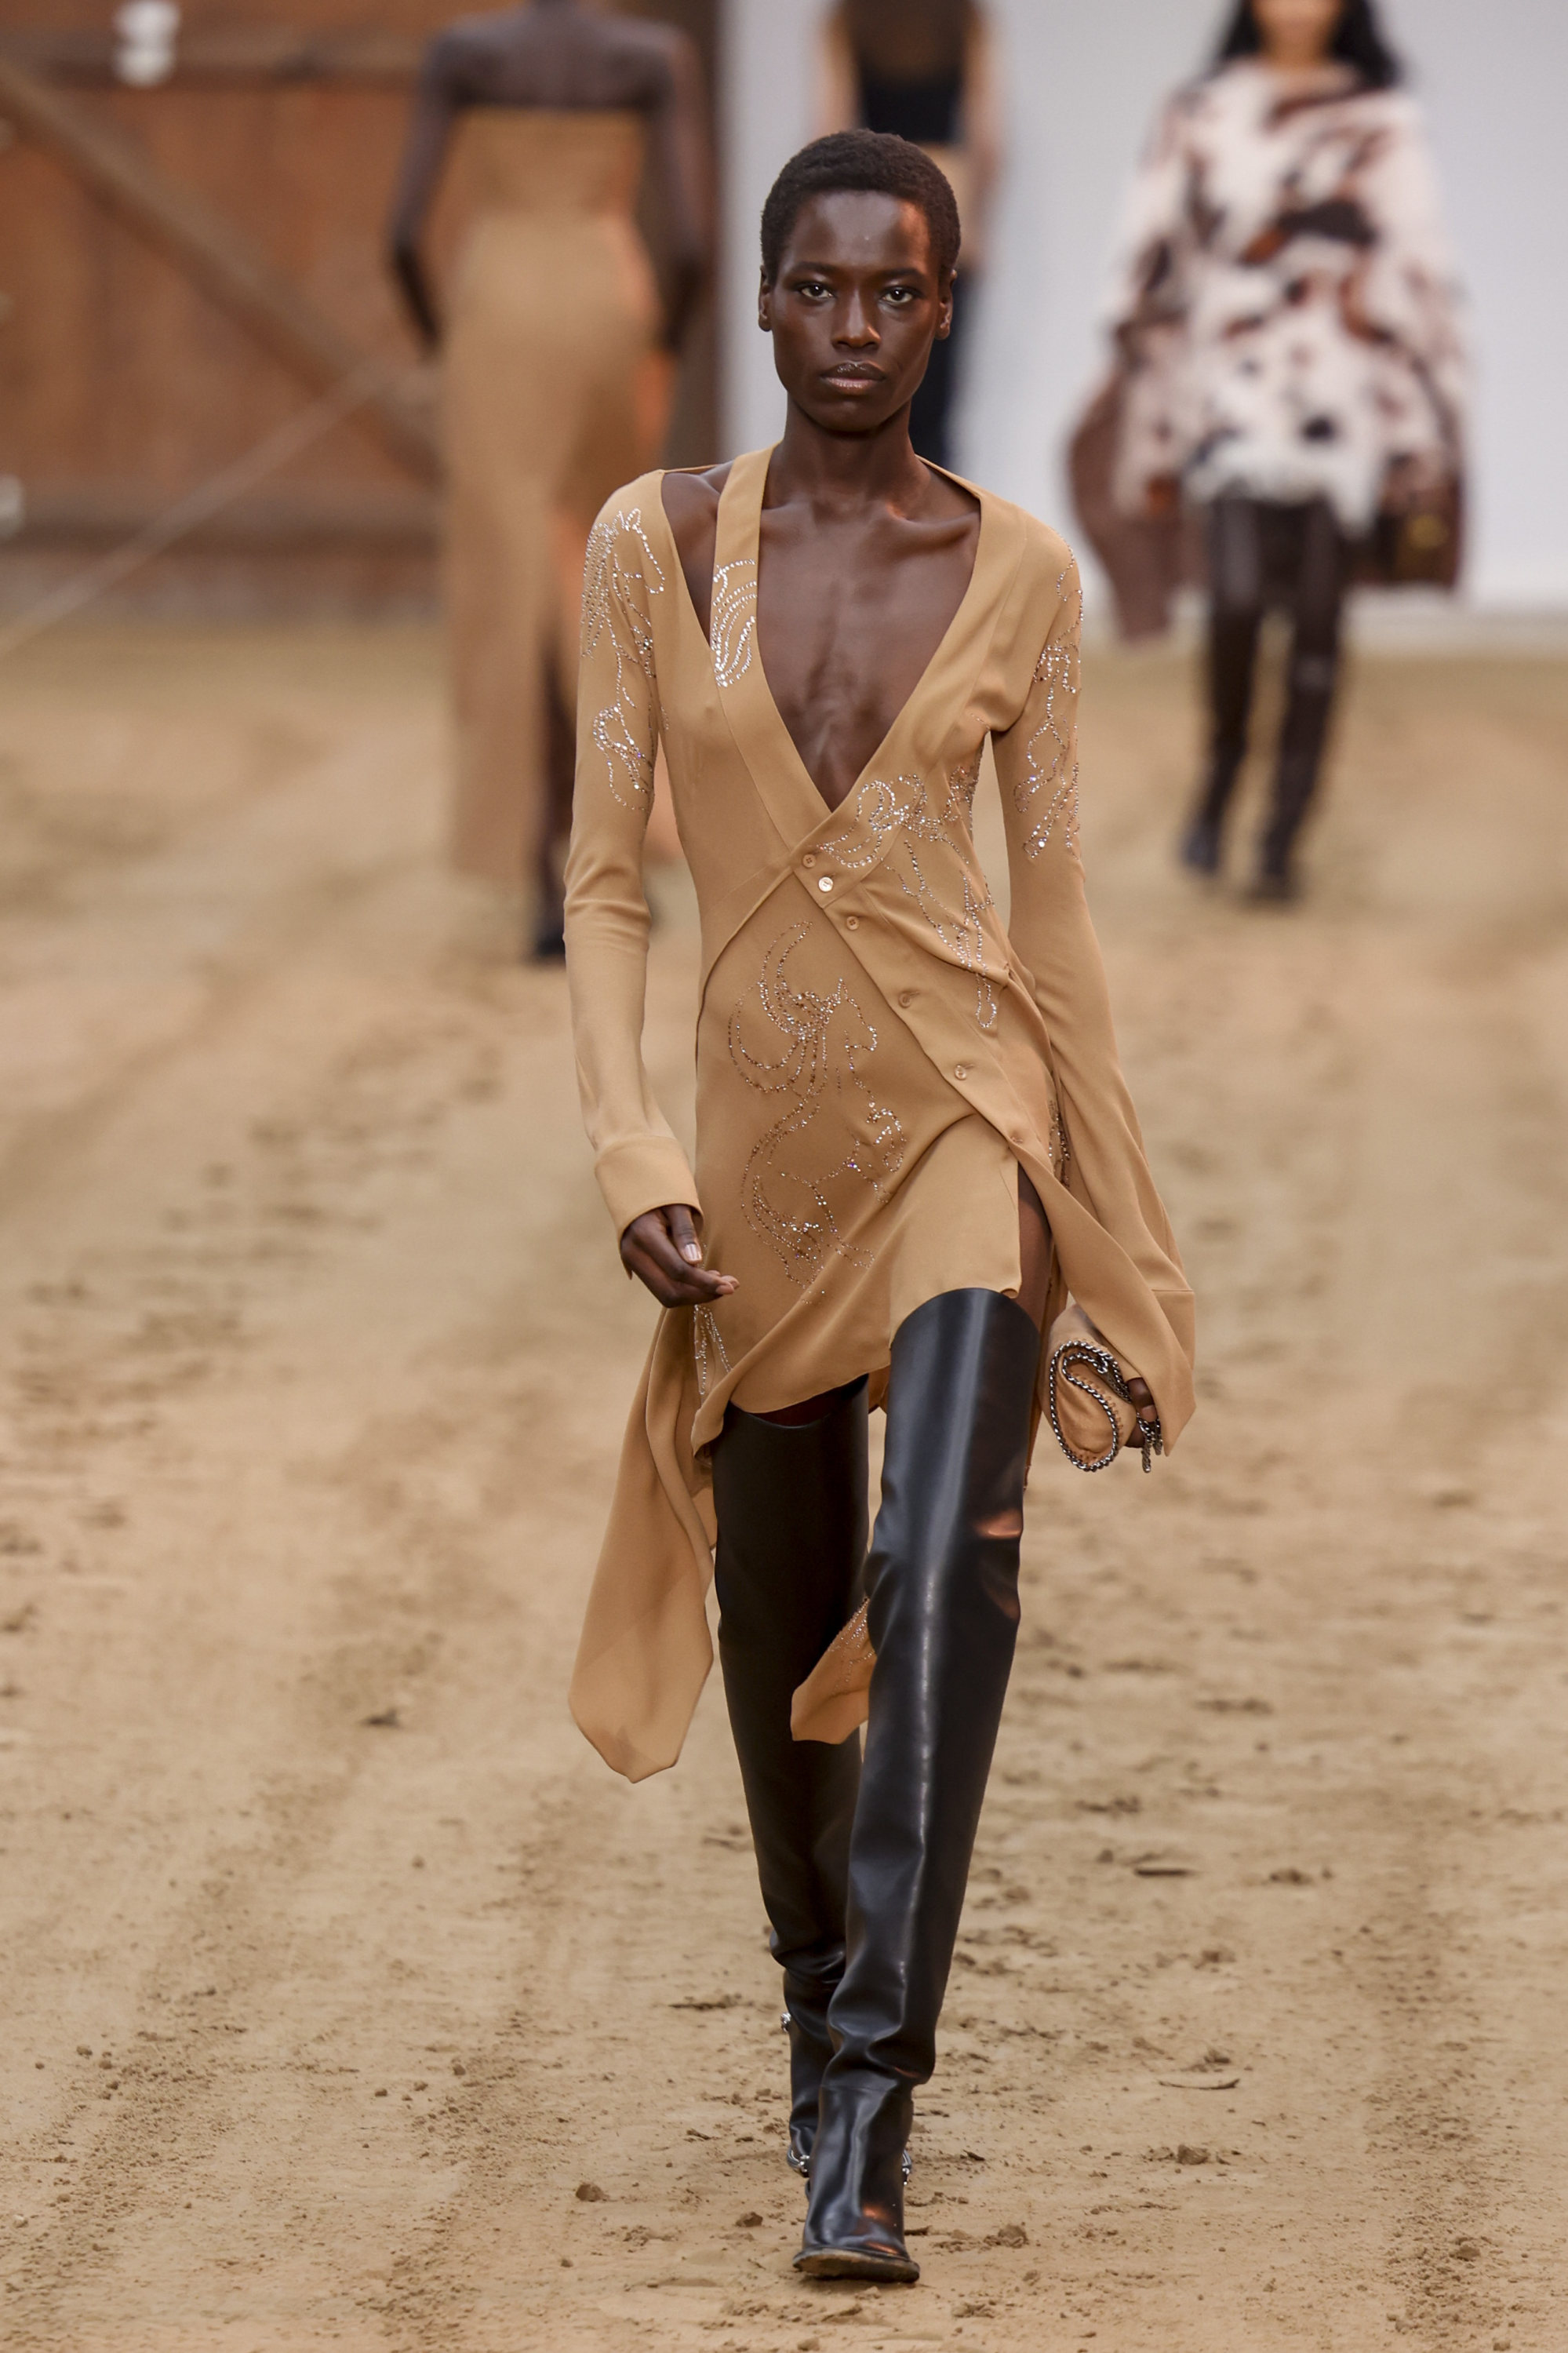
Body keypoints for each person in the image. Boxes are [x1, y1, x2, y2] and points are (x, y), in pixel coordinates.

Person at [562, 129, 1195, 2282]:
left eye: (892, 294)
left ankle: (870, 2093)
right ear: (758, 300)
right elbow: (596, 880)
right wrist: (628, 1150)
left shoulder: (1018, 570)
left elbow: (1056, 919)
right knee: (779, 1617)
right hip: (745, 1170)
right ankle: (809, 1990)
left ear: (942, 307)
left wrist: (1115, 1227)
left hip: (955, 1121)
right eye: (816, 289)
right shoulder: (649, 546)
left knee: (944, 1574)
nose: (852, 329)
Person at [1071, 0, 1465, 901]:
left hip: (1346, 395)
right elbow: (1148, 248)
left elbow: (1420, 268)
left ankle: (1283, 834)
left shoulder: (1382, 121)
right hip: (1231, 385)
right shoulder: (1202, 110)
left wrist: (1426, 420)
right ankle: (1218, 783)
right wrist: (1149, 380)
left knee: (1321, 620)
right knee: (1240, 597)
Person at [387, 0, 711, 957]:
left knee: (512, 586)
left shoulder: (465, 53)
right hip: (608, 300)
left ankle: (539, 870)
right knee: (603, 579)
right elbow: (691, 245)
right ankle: (609, 854)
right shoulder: (650, 55)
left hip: (498, 305)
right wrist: (659, 346)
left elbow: (401, 236)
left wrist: (441, 342)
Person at [816, 1, 1000, 470]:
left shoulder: (849, 17)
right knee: (937, 409)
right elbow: (988, 138)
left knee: (871, 396)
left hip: (873, 219)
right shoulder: (964, 15)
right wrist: (979, 225)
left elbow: (830, 128)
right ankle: (941, 534)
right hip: (944, 206)